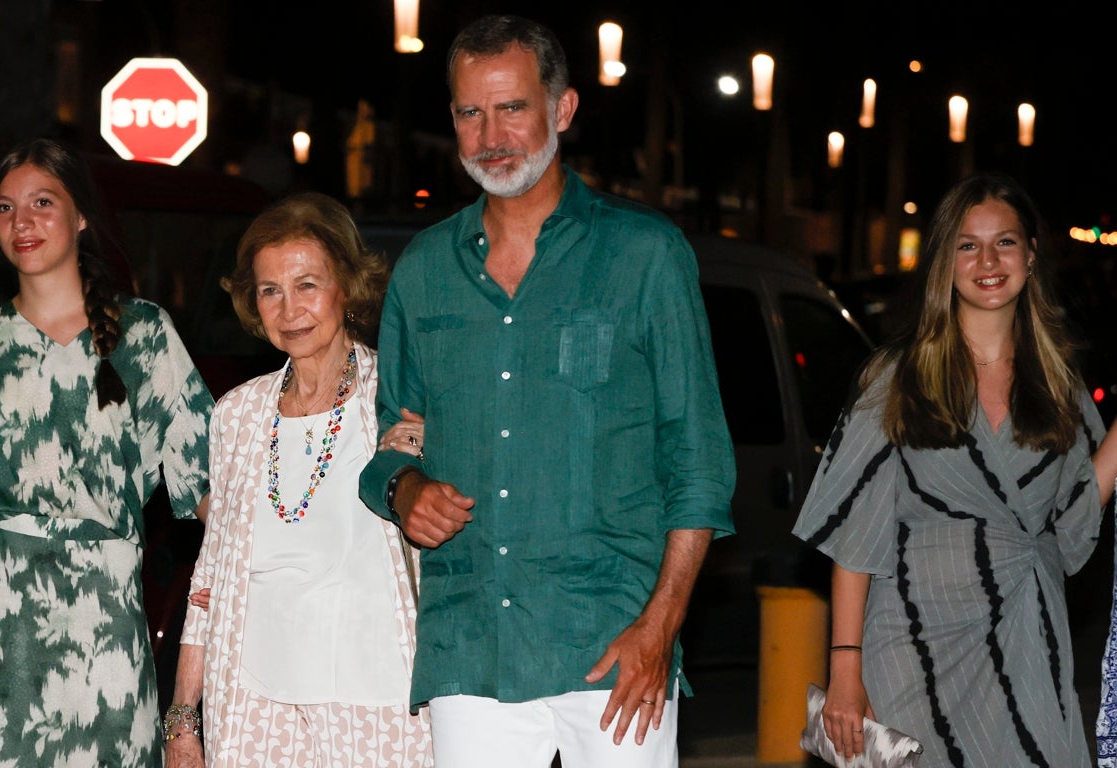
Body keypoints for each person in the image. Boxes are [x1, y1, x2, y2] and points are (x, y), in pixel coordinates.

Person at [356, 14, 736, 768]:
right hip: (472, 643)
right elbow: (388, 447)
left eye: (513, 108)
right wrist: (405, 491)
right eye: (471, 112)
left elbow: (697, 462)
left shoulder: (644, 256)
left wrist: (659, 627)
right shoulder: (426, 270)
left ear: (561, 110)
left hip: (611, 642)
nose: (491, 134)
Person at [0, 136, 214, 766]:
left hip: (103, 623)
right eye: (4, 207)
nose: (22, 222)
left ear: (80, 218)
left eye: (42, 202)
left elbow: (208, 489)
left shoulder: (145, 334)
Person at [792, 172, 1117, 766]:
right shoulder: (896, 377)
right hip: (916, 647)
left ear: (1031, 253)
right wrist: (845, 668)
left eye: (1005, 242)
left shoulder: (1059, 385)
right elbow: (855, 539)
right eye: (968, 245)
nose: (988, 260)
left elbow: (1069, 526)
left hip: (1027, 645)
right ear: (945, 259)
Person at [163, 192, 433, 767]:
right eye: (270, 290)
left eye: (307, 284)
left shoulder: (396, 398)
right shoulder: (237, 414)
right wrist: (183, 722)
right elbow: (209, 576)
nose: (289, 309)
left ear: (346, 286)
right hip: (258, 709)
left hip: (380, 706)